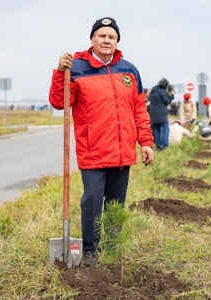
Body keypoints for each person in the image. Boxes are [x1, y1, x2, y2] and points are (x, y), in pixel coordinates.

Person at [49, 17, 154, 266]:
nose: (107, 40)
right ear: (92, 39)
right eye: (102, 36)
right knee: (92, 200)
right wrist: (59, 72)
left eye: (112, 37)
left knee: (116, 202)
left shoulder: (129, 70)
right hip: (93, 150)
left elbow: (139, 109)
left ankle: (112, 245)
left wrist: (146, 142)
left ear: (117, 41)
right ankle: (90, 250)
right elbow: (59, 101)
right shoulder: (76, 67)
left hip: (122, 151)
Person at [149, 78, 174, 150]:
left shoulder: (153, 89)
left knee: (156, 130)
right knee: (165, 130)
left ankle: (158, 146)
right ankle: (165, 146)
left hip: (153, 113)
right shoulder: (162, 91)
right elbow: (166, 101)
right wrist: (171, 96)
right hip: (162, 113)